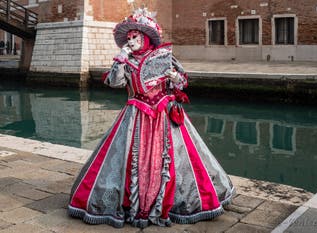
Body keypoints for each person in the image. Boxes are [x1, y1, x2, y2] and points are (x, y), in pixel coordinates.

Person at [68, 8, 234, 228]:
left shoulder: (165, 58)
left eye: (134, 37)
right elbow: (115, 82)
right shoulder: (126, 61)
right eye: (128, 38)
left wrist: (175, 78)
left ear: (145, 37)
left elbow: (182, 83)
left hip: (163, 116)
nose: (131, 40)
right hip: (135, 116)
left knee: (177, 161)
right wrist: (121, 58)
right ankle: (131, 206)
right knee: (127, 162)